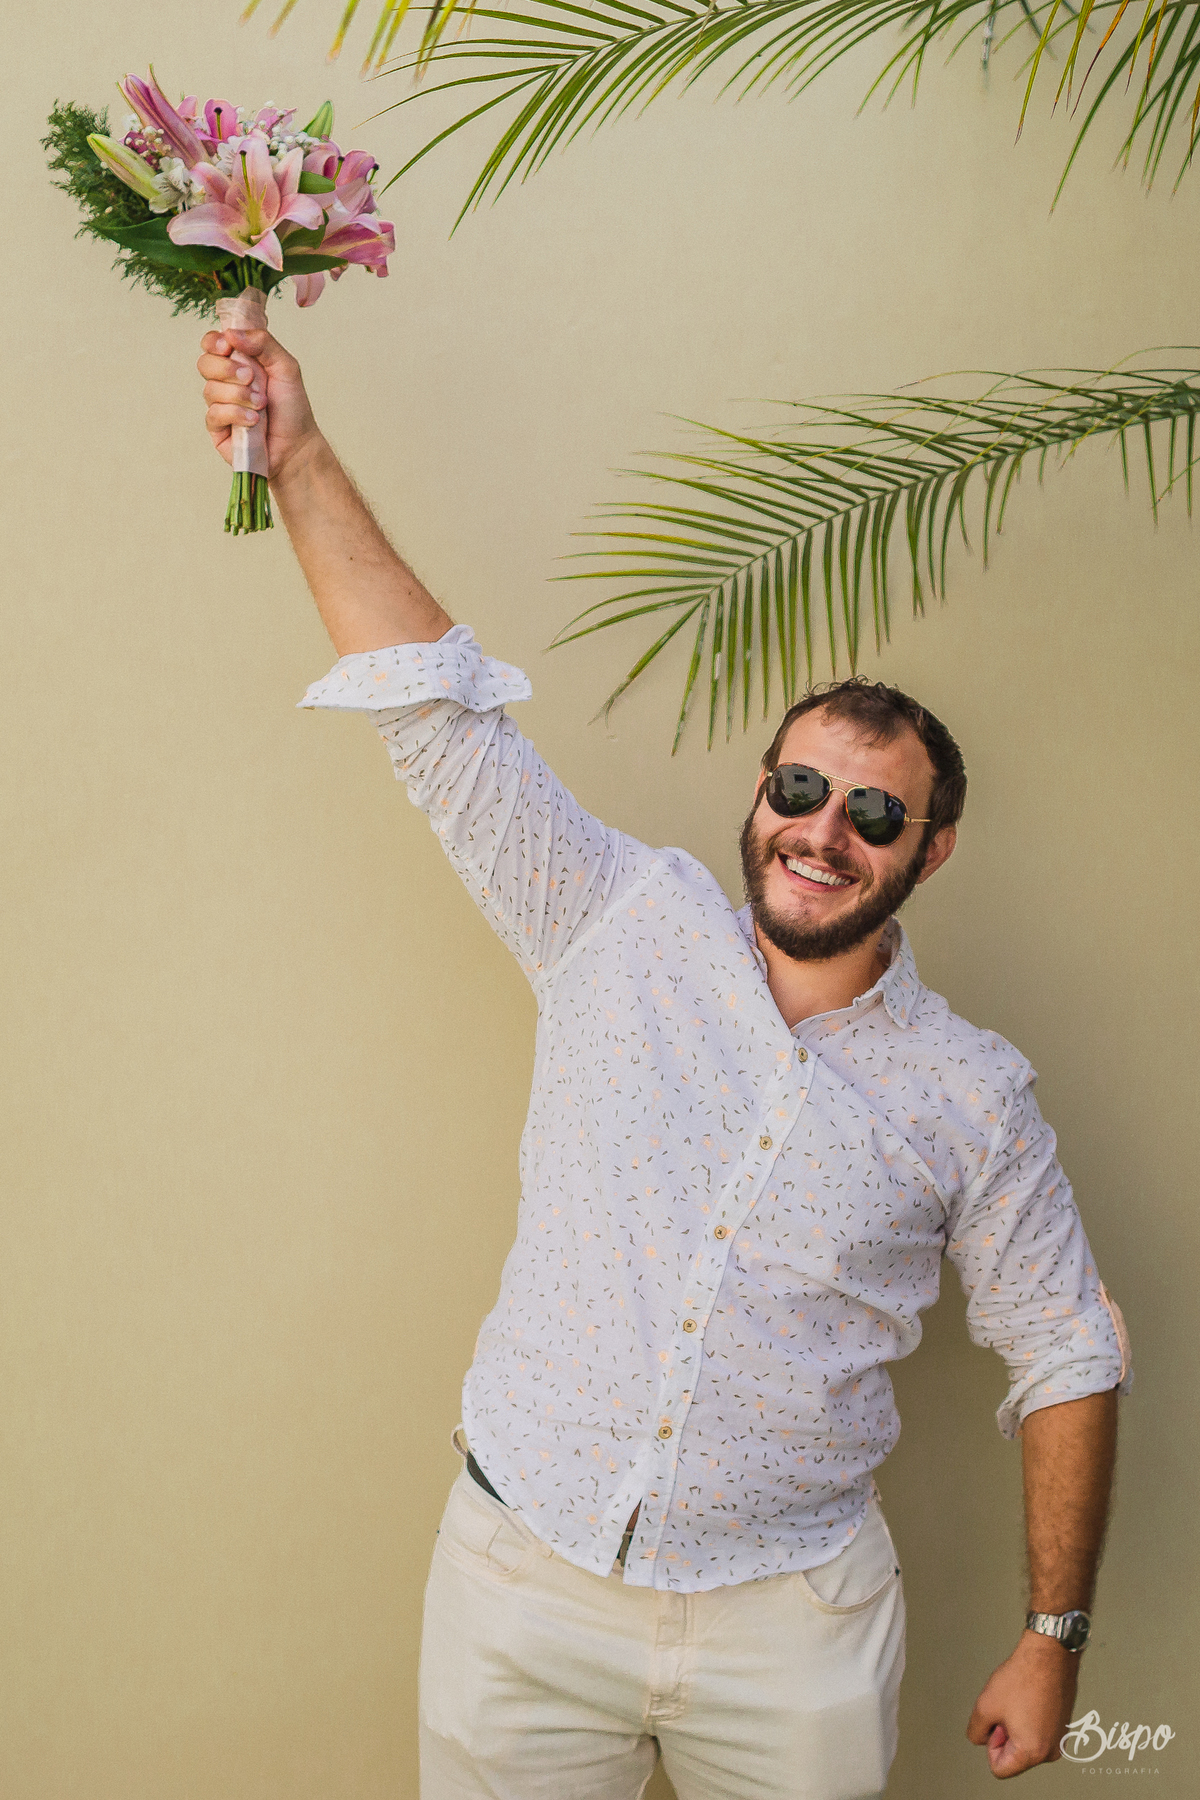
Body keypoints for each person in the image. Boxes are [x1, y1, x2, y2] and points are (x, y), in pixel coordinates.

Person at [195, 324, 1132, 1800]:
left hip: (796, 1632)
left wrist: (1052, 1636)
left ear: (929, 850)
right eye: (801, 788)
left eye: (874, 816)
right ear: (760, 792)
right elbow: (441, 719)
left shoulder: (975, 1095)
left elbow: (1070, 1348)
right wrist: (299, 454)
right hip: (524, 1588)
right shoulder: (618, 920)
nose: (825, 832)